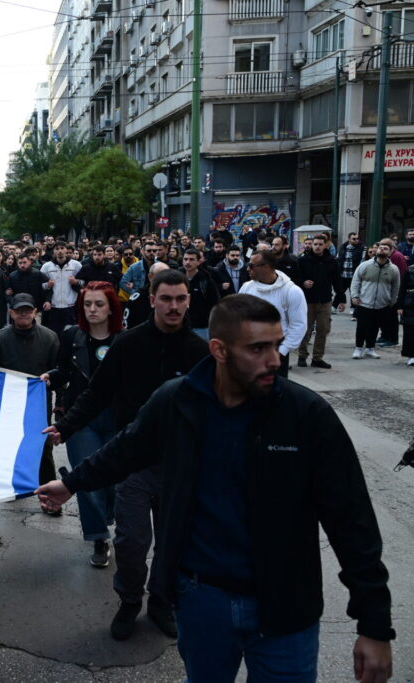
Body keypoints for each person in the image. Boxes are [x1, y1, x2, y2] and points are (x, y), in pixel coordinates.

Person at [37, 294, 394, 683]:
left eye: (276, 345)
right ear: (219, 350)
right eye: (257, 348)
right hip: (203, 603)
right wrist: (71, 483)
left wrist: (374, 624)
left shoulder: (306, 415)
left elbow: (352, 521)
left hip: (287, 607)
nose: (274, 359)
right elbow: (125, 450)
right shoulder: (177, 401)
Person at [46, 269, 209, 641]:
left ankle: (162, 603)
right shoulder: (129, 344)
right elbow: (97, 393)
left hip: (180, 467)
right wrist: (67, 426)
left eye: (180, 299)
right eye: (165, 298)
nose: (173, 306)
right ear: (151, 300)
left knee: (173, 543)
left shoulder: (200, 353)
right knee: (132, 542)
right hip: (134, 462)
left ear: (188, 301)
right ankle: (130, 601)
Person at [42, 281, 123, 568]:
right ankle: (99, 536)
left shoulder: (125, 340)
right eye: (87, 304)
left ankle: (110, 517)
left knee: (114, 479)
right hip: (80, 419)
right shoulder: (71, 337)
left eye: (99, 304)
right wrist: (51, 377)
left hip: (117, 419)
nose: (92, 309)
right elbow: (64, 370)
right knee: (87, 478)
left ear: (111, 307)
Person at [0, 293, 60, 488]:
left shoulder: (50, 337)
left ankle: (48, 489)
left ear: (35, 312)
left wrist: (60, 402)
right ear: (11, 313)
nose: (23, 314)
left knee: (43, 445)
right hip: (9, 400)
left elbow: (60, 372)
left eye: (27, 310)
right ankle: (13, 486)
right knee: (10, 443)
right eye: (19, 311)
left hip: (39, 400)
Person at [239, 251, 307, 377]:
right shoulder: (246, 288)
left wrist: (282, 352)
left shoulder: (292, 291)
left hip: (276, 352)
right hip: (249, 350)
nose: (247, 268)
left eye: (252, 265)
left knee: (274, 393)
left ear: (266, 267)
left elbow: (298, 325)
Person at [296, 234, 343, 369]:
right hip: (308, 301)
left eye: (320, 244)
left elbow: (337, 280)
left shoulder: (331, 261)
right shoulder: (304, 260)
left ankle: (317, 358)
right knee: (306, 329)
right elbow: (296, 278)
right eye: (315, 244)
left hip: (325, 301)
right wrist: (303, 283)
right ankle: (302, 355)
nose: (317, 247)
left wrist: (341, 297)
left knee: (323, 329)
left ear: (325, 245)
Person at [351, 242, 401, 360]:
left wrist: (392, 300)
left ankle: (370, 348)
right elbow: (356, 281)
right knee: (362, 327)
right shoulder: (365, 265)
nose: (382, 250)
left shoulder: (394, 269)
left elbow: (396, 286)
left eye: (385, 249)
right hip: (364, 302)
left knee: (375, 327)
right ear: (376, 250)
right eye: (380, 248)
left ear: (390, 252)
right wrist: (354, 296)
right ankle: (358, 348)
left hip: (382, 304)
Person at [40, 241, 82, 336]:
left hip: (71, 306)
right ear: (53, 251)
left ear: (66, 250)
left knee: (71, 334)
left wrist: (76, 282)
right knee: (54, 334)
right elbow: (40, 285)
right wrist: (47, 285)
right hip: (53, 307)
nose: (60, 251)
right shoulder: (47, 266)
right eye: (57, 249)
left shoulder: (76, 265)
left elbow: (84, 282)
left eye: (62, 248)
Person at [181, 249, 221, 340]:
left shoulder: (206, 280)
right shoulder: (177, 277)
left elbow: (214, 303)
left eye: (191, 259)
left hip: (201, 327)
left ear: (198, 262)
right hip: (181, 325)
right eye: (185, 259)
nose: (187, 262)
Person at [123, 261, 169, 330]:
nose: (165, 280)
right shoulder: (137, 299)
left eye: (168, 276)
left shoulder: (174, 296)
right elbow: (128, 327)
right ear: (150, 277)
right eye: (160, 276)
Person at [401, 269, 414, 366]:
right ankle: (411, 356)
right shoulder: (409, 271)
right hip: (410, 305)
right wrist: (400, 306)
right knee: (410, 331)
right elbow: (402, 289)